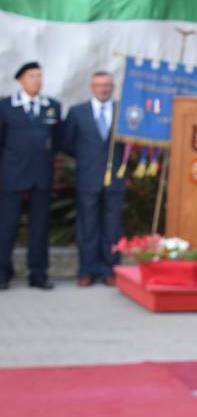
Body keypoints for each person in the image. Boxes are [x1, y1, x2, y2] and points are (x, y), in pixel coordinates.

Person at [0, 62, 62, 290]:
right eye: (31, 76)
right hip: (12, 176)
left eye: (39, 76)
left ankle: (38, 273)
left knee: (40, 227)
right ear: (20, 80)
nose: (37, 80)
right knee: (6, 226)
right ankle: (3, 273)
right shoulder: (6, 107)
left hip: (41, 176)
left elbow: (57, 142)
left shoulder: (51, 107)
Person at [61, 71, 125, 287]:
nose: (103, 89)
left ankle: (109, 269)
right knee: (87, 226)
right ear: (92, 87)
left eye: (107, 85)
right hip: (87, 179)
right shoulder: (77, 112)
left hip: (115, 180)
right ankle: (87, 270)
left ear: (112, 87)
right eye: (99, 85)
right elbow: (67, 142)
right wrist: (87, 159)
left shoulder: (122, 112)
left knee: (112, 227)